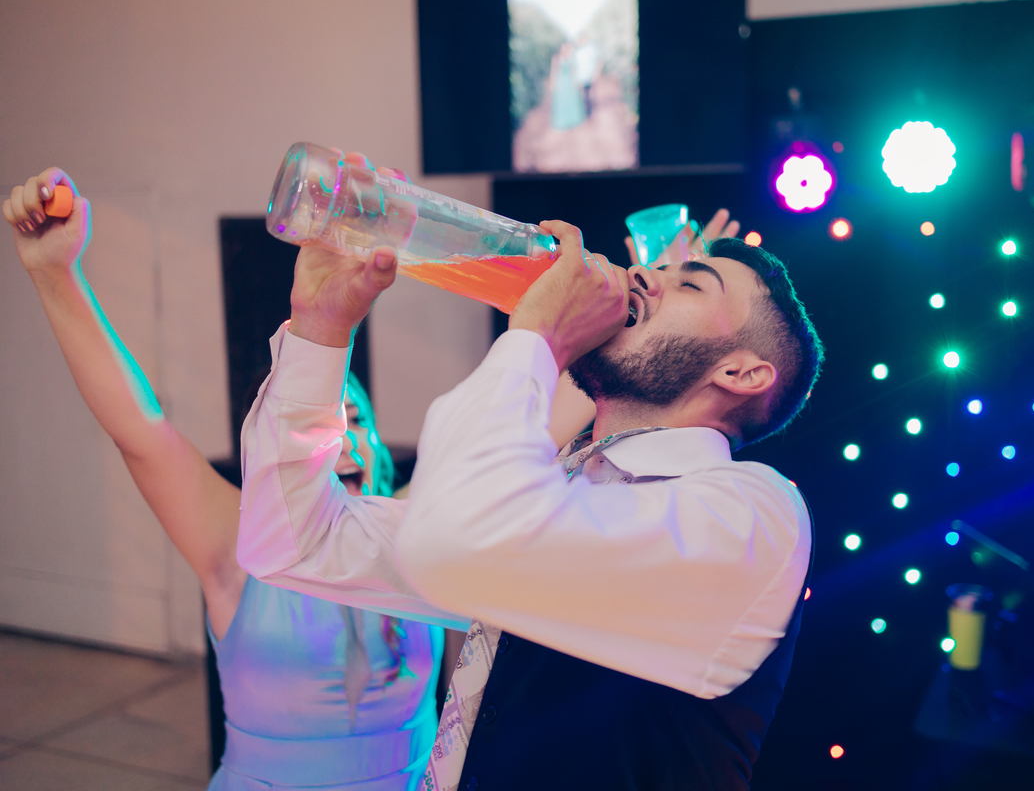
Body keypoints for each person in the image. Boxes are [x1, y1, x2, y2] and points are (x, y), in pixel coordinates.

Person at [238, 154, 823, 790]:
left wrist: (540, 336)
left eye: (690, 284)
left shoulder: (756, 513)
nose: (640, 275)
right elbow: (290, 539)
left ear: (741, 372)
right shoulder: (563, 485)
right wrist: (320, 327)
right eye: (655, 267)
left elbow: (458, 538)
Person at [4, 168, 442, 791]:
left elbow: (538, 431)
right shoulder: (238, 548)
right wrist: (56, 275)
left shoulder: (418, 532)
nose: (340, 440)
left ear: (380, 447)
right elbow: (141, 432)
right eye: (322, 429)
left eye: (355, 420)